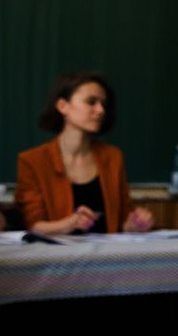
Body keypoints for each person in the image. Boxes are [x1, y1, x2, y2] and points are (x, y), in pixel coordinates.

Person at [16, 72, 153, 234]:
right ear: (63, 106)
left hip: (107, 255)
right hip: (56, 257)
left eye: (103, 104)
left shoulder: (113, 157)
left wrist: (135, 224)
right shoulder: (32, 161)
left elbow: (122, 222)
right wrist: (69, 223)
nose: (101, 110)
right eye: (91, 102)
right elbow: (33, 225)